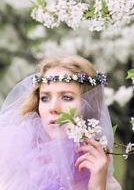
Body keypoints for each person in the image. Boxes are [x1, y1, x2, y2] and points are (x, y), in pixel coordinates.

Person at [0, 55, 122, 190]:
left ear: (89, 104)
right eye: (45, 98)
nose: (53, 108)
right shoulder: (13, 161)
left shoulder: (102, 178)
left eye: (67, 97)